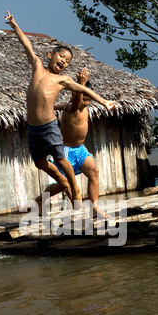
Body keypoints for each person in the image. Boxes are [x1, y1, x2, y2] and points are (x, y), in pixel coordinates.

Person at [4, 10, 116, 210]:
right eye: (61, 56)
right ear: (50, 55)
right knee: (40, 163)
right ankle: (63, 184)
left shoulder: (62, 80)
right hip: (33, 128)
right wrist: (14, 25)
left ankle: (76, 189)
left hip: (49, 127)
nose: (64, 61)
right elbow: (26, 45)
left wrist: (104, 101)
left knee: (62, 160)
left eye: (67, 61)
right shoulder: (37, 66)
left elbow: (82, 89)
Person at [36, 68, 107, 218]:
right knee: (64, 184)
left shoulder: (82, 106)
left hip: (80, 149)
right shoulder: (73, 108)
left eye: (90, 97)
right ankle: (40, 200)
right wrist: (80, 83)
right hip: (66, 151)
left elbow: (64, 105)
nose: (87, 100)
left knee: (94, 171)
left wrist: (53, 106)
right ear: (75, 94)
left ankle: (94, 208)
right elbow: (71, 105)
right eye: (84, 96)